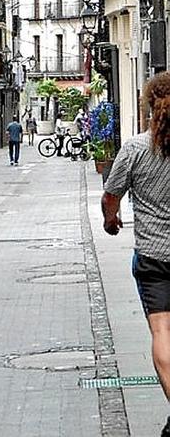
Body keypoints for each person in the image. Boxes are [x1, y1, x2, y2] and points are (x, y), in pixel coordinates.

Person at [102, 72, 170, 437]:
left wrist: (111, 221)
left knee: (162, 332)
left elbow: (111, 196)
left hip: (154, 255)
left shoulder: (135, 148)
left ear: (148, 105)